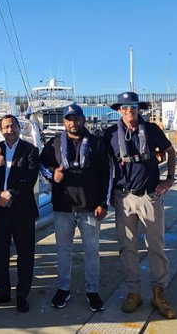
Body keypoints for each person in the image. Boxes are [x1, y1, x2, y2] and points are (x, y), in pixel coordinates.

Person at [104, 91, 177, 318]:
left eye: (133, 106)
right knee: (128, 247)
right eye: (124, 107)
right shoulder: (110, 135)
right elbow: (100, 164)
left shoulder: (152, 130)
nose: (129, 111)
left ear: (139, 108)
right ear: (118, 110)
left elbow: (170, 152)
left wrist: (169, 179)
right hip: (124, 198)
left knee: (156, 246)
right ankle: (133, 292)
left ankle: (159, 292)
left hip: (149, 196)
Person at [40, 104, 110, 312]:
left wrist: (103, 203)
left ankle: (92, 291)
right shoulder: (53, 144)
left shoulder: (97, 144)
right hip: (63, 207)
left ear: (83, 120)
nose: (73, 123)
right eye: (69, 119)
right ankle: (63, 288)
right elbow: (41, 166)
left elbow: (106, 174)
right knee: (63, 250)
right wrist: (53, 176)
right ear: (64, 122)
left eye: (77, 118)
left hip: (90, 207)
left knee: (92, 250)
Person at [0, 115, 40, 313]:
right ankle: (2, 290)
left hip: (22, 209)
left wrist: (10, 194)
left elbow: (30, 178)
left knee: (25, 254)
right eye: (5, 127)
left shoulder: (30, 150)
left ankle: (22, 295)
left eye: (12, 126)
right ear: (1, 130)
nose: (10, 130)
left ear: (18, 127)